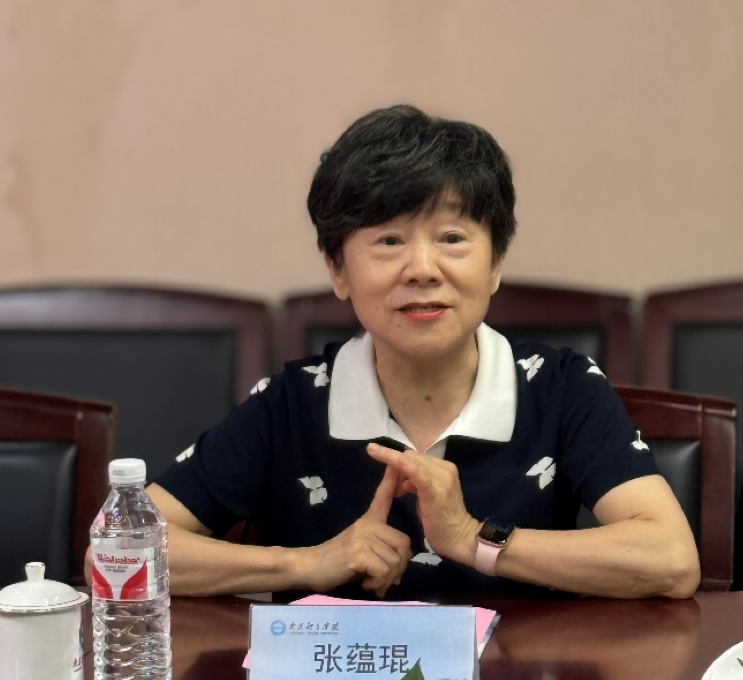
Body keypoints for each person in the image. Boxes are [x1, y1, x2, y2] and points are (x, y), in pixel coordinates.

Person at [141, 105, 700, 600]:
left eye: (452, 238)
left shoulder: (561, 387)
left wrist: (474, 539)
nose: (423, 269)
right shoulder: (290, 403)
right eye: (389, 241)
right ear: (338, 270)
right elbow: (122, 550)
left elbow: (671, 560)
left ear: (496, 263)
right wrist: (304, 564)